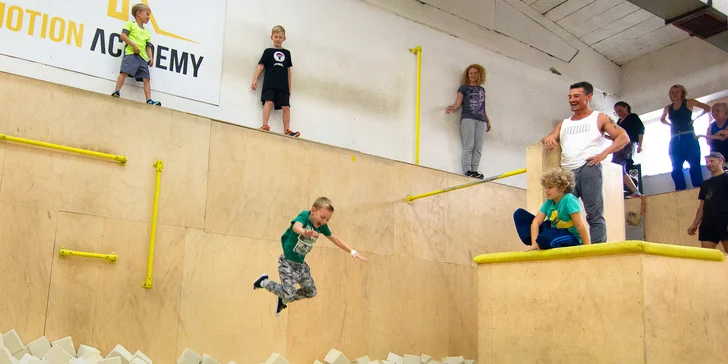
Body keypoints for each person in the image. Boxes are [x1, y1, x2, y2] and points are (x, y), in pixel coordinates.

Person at [540, 82, 629, 243]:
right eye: (569, 97)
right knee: (564, 214)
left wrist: (603, 154)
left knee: (594, 213)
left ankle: (597, 250)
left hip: (589, 167)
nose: (572, 100)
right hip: (566, 173)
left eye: (576, 96)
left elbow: (623, 137)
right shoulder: (564, 123)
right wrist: (548, 140)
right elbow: (549, 137)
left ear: (588, 97)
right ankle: (570, 247)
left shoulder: (599, 117)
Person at [253, 197, 368, 316]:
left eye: (327, 220)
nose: (323, 222)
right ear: (313, 210)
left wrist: (352, 251)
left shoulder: (322, 226)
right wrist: (304, 232)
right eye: (322, 217)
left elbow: (335, 239)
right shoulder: (304, 216)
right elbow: (296, 226)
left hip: (300, 265)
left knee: (311, 292)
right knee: (288, 294)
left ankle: (283, 299)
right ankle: (263, 282)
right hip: (286, 262)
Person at [513, 168, 591, 250]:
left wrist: (587, 246)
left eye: (550, 187)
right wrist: (534, 243)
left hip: (569, 235)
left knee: (543, 239)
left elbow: (579, 224)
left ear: (562, 187)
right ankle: (539, 242)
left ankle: (543, 241)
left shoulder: (569, 199)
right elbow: (536, 222)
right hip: (553, 231)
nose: (546, 191)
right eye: (545, 188)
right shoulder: (549, 202)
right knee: (519, 214)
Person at [660, 85, 712, 191]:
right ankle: (680, 190)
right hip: (675, 138)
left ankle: (698, 189)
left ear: (682, 93)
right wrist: (670, 125)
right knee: (676, 167)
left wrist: (695, 119)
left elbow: (707, 108)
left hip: (688, 136)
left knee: (694, 165)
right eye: (672, 92)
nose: (674, 94)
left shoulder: (689, 102)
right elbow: (662, 119)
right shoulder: (668, 107)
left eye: (677, 92)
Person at [251, 25, 299, 137]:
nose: (278, 39)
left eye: (280, 37)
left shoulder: (287, 53)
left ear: (284, 38)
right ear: (271, 37)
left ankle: (287, 130)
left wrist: (289, 87)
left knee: (286, 106)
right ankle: (264, 125)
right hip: (270, 83)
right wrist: (255, 79)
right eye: (276, 36)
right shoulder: (268, 52)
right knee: (269, 102)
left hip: (282, 85)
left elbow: (288, 71)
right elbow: (261, 66)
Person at [445, 64, 492, 179]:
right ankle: (467, 170)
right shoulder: (463, 88)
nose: (473, 75)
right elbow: (458, 103)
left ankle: (475, 170)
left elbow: (482, 107)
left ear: (479, 74)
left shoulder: (482, 90)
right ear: (468, 75)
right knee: (469, 145)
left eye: (475, 73)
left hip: (481, 120)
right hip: (468, 118)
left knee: (478, 146)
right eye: (471, 73)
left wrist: (487, 120)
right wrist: (452, 107)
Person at [110, 3, 161, 106]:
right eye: (147, 14)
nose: (148, 17)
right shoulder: (130, 24)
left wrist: (150, 57)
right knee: (124, 72)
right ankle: (116, 90)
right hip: (131, 54)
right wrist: (133, 45)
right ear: (138, 13)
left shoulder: (147, 32)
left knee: (146, 79)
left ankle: (148, 99)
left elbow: (148, 46)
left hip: (142, 58)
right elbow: (123, 36)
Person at [688, 152, 728, 251]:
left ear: (720, 161)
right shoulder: (705, 184)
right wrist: (695, 224)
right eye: (706, 162)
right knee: (707, 256)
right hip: (708, 223)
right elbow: (702, 206)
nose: (709, 164)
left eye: (711, 161)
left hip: (725, 221)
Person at [610, 101, 645, 198]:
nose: (619, 113)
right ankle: (635, 191)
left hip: (628, 144)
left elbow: (641, 130)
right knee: (620, 170)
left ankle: (634, 191)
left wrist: (640, 145)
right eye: (616, 112)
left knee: (616, 167)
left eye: (620, 110)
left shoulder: (633, 117)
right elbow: (616, 136)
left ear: (626, 108)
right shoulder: (619, 121)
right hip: (618, 146)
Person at [699, 103, 728, 168]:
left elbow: (723, 138)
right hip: (717, 153)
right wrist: (719, 133)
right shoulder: (711, 125)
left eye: (718, 111)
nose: (714, 113)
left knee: (718, 141)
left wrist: (709, 136)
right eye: (713, 111)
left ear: (725, 111)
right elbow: (709, 142)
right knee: (715, 143)